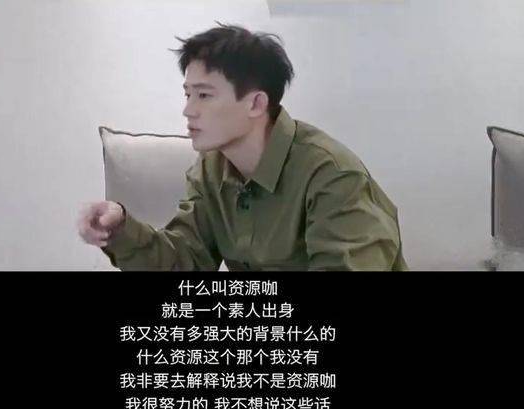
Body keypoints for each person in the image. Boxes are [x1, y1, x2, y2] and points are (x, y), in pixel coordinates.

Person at [78, 22, 408, 271]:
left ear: (255, 104)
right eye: (187, 94)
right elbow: (188, 260)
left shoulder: (333, 177)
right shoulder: (210, 168)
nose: (188, 110)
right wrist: (121, 228)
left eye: (204, 95)